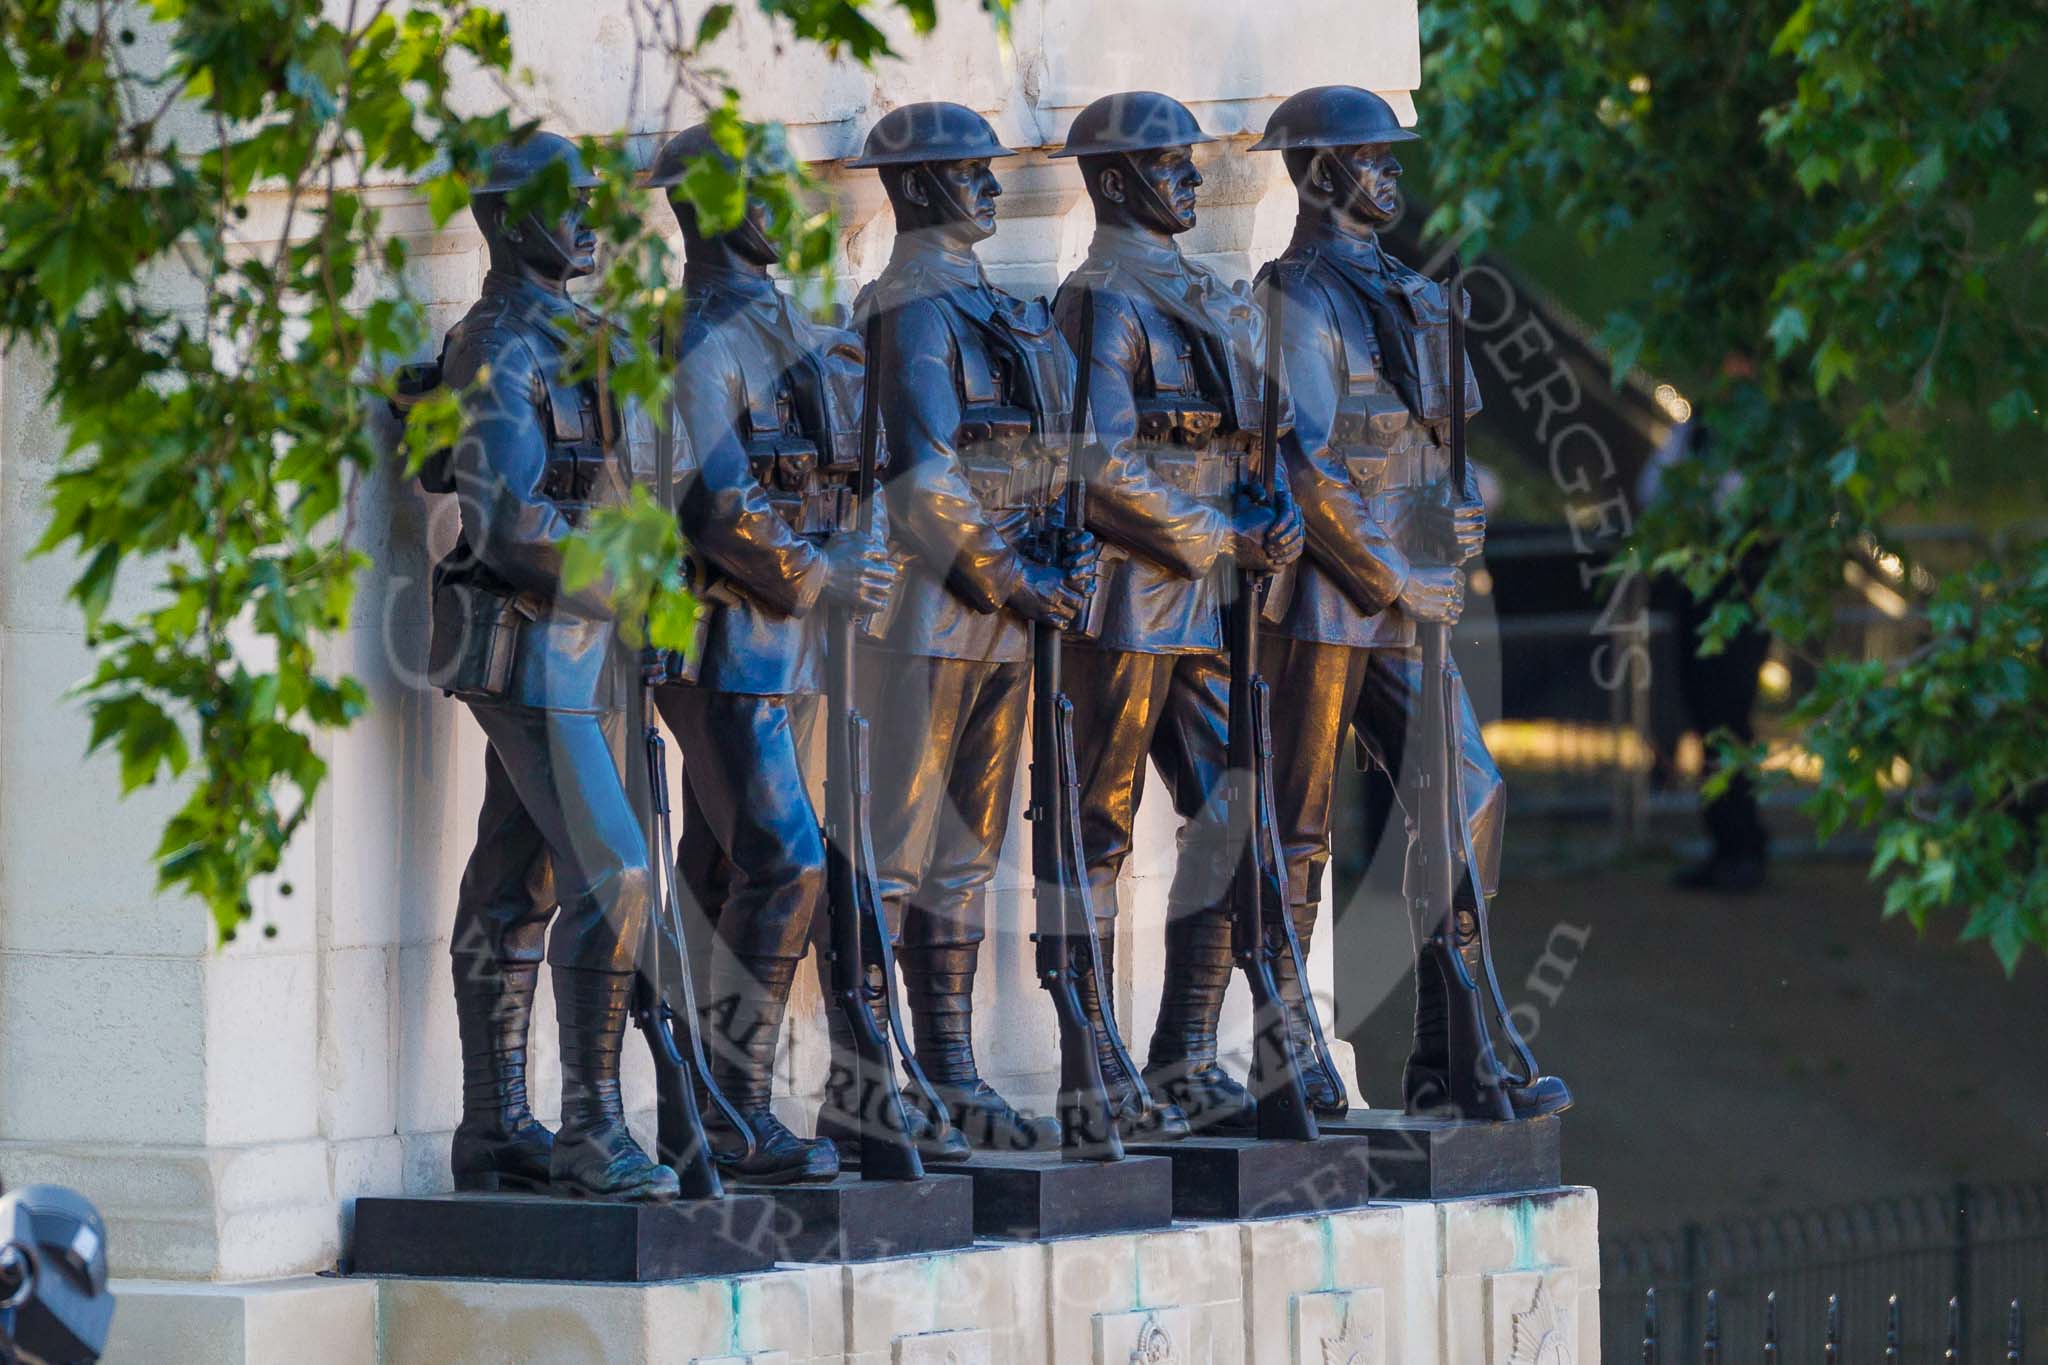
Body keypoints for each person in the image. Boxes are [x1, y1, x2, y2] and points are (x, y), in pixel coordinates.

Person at [1249, 86, 1569, 1118]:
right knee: (1294, 830)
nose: (1388, 172)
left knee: (1466, 794)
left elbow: (1442, 456)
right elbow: (1302, 466)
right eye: (1366, 157)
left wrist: (1458, 510)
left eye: (1390, 156)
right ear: (1315, 173)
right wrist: (1399, 570)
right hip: (1325, 598)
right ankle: (1279, 1057)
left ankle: (1453, 1050)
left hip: (1403, 598)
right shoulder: (1292, 296)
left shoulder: (1416, 293)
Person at [643, 124, 908, 1183]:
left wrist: (865, 555)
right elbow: (714, 499)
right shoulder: (692, 336)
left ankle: (701, 1111)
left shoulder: (804, 329)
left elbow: (872, 471)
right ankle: (737, 1105)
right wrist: (821, 570)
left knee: (722, 872)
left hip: (798, 648)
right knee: (786, 861)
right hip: (722, 640)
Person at [1049, 91, 1309, 1133]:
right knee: (1093, 832)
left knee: (1231, 817)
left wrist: (1269, 508)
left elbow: (1251, 439)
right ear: (1114, 184)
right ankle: (1088, 1059)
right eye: (1169, 167)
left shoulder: (1198, 292)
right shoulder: (1100, 298)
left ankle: (1185, 1052)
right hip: (1126, 602)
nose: (1193, 181)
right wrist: (1220, 533)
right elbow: (1103, 466)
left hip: (1202, 606)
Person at [846, 103, 1099, 1151]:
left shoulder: (992, 307)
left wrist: (1060, 558)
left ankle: (947, 1063)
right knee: (896, 851)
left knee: (968, 851)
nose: (994, 188)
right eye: (970, 174)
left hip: (1002, 614)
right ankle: (871, 1077)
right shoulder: (910, 310)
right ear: (914, 191)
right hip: (933, 612)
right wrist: (1017, 580)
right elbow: (922, 479)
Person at [432, 131, 678, 1201]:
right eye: (565, 202)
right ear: (506, 220)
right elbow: (508, 522)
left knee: (515, 881)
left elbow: (625, 489)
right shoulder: (500, 347)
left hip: (589, 648)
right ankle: (590, 1129)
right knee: (613, 876)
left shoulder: (586, 336)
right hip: (532, 646)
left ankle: (492, 1129)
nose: (588, 218)